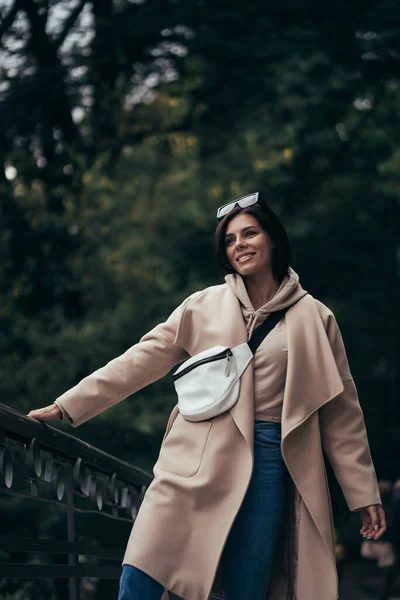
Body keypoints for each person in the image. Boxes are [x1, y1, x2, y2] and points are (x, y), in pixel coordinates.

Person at [27, 192, 386, 600]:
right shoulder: (203, 305)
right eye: (231, 240)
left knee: (246, 586)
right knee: (141, 568)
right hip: (194, 456)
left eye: (250, 234)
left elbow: (342, 413)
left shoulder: (316, 317)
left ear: (273, 240)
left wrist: (362, 494)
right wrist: (66, 405)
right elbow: (139, 361)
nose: (240, 245)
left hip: (270, 460)